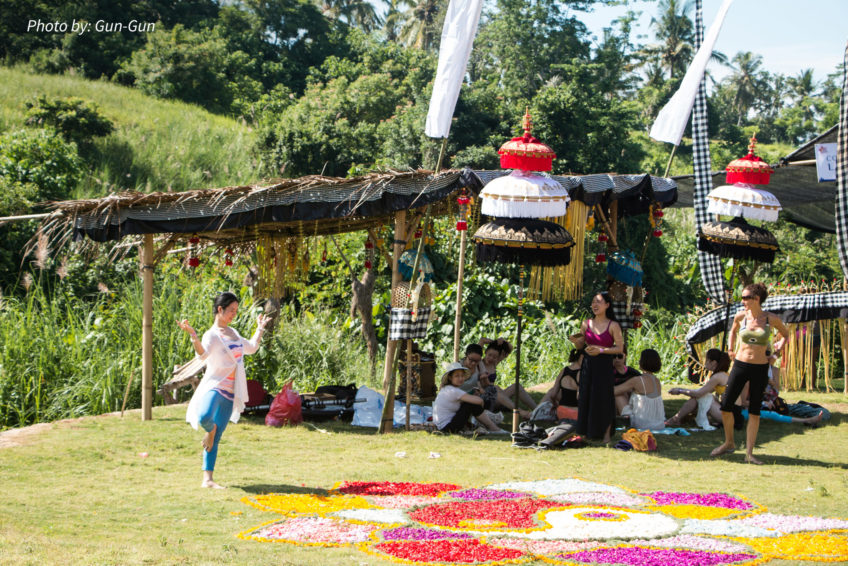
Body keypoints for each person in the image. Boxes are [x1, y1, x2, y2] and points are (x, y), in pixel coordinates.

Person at [178, 292, 270, 488]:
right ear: (220, 309)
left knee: (216, 438)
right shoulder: (211, 335)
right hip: (216, 386)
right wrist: (193, 336)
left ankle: (208, 480)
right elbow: (203, 355)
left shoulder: (234, 333)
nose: (234, 314)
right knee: (205, 417)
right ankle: (210, 431)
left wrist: (260, 328)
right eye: (231, 310)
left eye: (236, 311)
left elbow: (251, 348)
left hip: (231, 392)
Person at [711, 283, 790, 464]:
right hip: (740, 365)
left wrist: (776, 354)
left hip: (760, 368)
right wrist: (730, 349)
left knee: (754, 411)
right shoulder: (741, 316)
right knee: (726, 406)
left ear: (756, 299)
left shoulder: (770, 319)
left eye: (745, 297)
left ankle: (749, 453)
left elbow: (786, 335)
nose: (742, 301)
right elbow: (732, 331)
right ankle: (729, 443)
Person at [577, 291, 624, 443]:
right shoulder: (586, 323)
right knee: (586, 397)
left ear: (607, 305)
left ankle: (606, 435)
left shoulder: (613, 325)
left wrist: (601, 350)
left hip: (604, 366)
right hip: (588, 364)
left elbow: (619, 348)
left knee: (604, 399)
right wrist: (576, 342)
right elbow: (580, 346)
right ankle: (585, 432)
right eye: (593, 302)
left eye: (598, 302)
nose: (594, 305)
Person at [433, 362, 508, 434]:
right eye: (457, 376)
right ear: (450, 377)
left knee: (469, 403)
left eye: (462, 376)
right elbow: (480, 401)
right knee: (471, 404)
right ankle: (493, 427)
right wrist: (480, 409)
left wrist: (474, 397)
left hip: (444, 426)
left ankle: (486, 423)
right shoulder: (454, 391)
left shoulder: (447, 389)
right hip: (448, 428)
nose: (460, 378)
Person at [666, 349, 731, 429]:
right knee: (702, 396)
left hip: (728, 417)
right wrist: (682, 390)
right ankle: (679, 418)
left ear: (713, 362)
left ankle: (676, 419)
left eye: (707, 360)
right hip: (730, 415)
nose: (705, 362)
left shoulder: (717, 377)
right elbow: (702, 391)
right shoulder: (723, 374)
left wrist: (679, 391)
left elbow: (699, 394)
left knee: (702, 397)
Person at [477, 341, 536, 419]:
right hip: (485, 398)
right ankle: (520, 411)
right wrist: (493, 341)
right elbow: (481, 342)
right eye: (489, 355)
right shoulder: (479, 363)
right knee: (495, 388)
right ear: (485, 352)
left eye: (494, 357)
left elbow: (510, 348)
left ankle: (537, 409)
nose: (491, 358)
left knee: (516, 386)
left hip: (496, 397)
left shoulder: (494, 363)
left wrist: (501, 342)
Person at [614, 349, 665, 430]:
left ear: (642, 362)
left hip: (641, 424)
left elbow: (613, 391)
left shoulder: (637, 380)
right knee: (626, 392)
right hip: (659, 424)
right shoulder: (657, 381)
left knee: (619, 395)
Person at [540, 333, 585, 421]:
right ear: (582, 357)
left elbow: (553, 394)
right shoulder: (581, 373)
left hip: (560, 412)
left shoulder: (564, 370)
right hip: (575, 413)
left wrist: (556, 405)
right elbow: (579, 397)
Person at [613, 347, 643, 414]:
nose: (617, 359)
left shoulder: (633, 372)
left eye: (620, 356)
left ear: (625, 356)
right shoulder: (608, 373)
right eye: (614, 356)